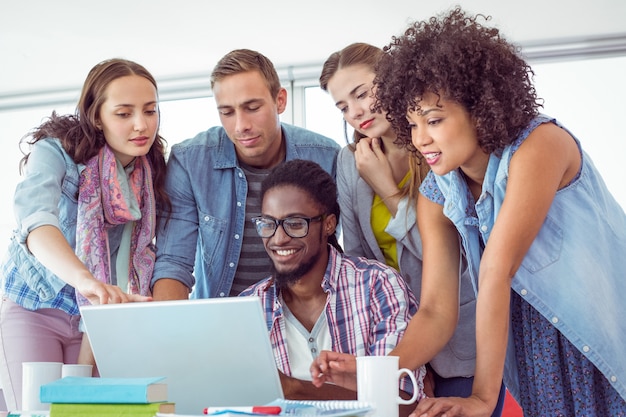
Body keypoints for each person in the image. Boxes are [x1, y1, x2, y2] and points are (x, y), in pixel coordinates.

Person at [367, 7, 626, 417]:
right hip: (534, 354)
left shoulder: (540, 145)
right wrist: (376, 374)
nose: (420, 140)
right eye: (412, 124)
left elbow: (496, 269)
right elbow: (436, 311)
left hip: (601, 339)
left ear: (481, 107)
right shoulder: (436, 194)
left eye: (433, 120)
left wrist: (484, 398)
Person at [318, 43, 506, 412]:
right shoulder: (350, 161)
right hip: (398, 340)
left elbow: (461, 262)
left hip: (464, 340)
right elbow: (362, 266)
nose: (355, 113)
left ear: (394, 81)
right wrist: (404, 358)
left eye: (362, 94)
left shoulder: (441, 148)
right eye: (343, 106)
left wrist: (388, 192)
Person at [0, 58, 168, 410]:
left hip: (99, 320)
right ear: (96, 116)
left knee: (90, 412)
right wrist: (86, 281)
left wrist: (100, 309)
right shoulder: (55, 152)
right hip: (36, 308)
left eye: (150, 110)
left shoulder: (150, 170)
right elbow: (35, 220)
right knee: (36, 411)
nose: (142, 125)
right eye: (124, 114)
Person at [151, 49, 341, 300]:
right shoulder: (189, 160)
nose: (241, 126)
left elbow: (345, 255)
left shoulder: (326, 156)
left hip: (305, 316)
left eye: (252, 108)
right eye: (227, 112)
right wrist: (172, 332)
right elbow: (173, 262)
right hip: (221, 317)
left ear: (280, 100)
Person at [239, 159, 425, 408]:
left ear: (328, 224)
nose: (279, 238)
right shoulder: (247, 308)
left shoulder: (378, 287)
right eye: (268, 224)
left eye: (295, 224)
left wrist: (293, 390)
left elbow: (402, 402)